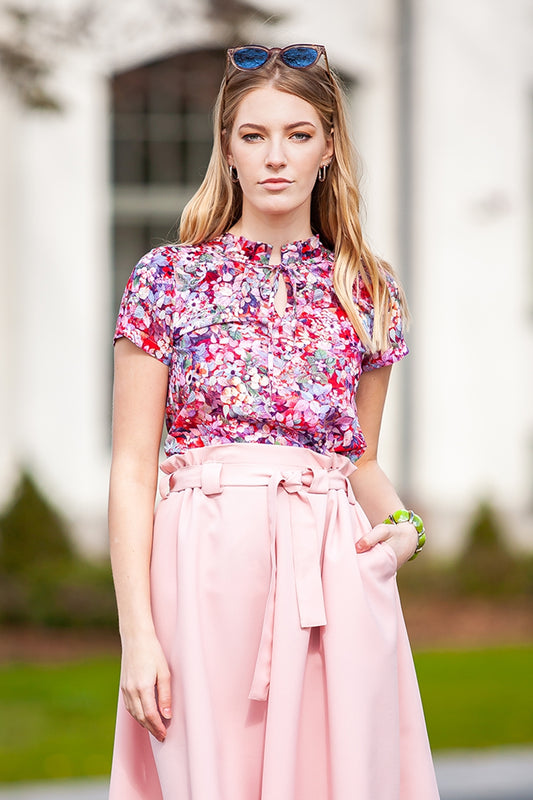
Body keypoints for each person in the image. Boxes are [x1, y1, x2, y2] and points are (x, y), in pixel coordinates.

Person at [108, 43, 440, 800]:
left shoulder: (368, 288)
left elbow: (358, 458)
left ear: (328, 148)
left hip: (332, 577)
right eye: (253, 136)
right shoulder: (167, 277)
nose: (275, 157)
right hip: (201, 569)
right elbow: (132, 467)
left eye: (297, 134)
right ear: (226, 149)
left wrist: (404, 532)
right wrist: (138, 635)